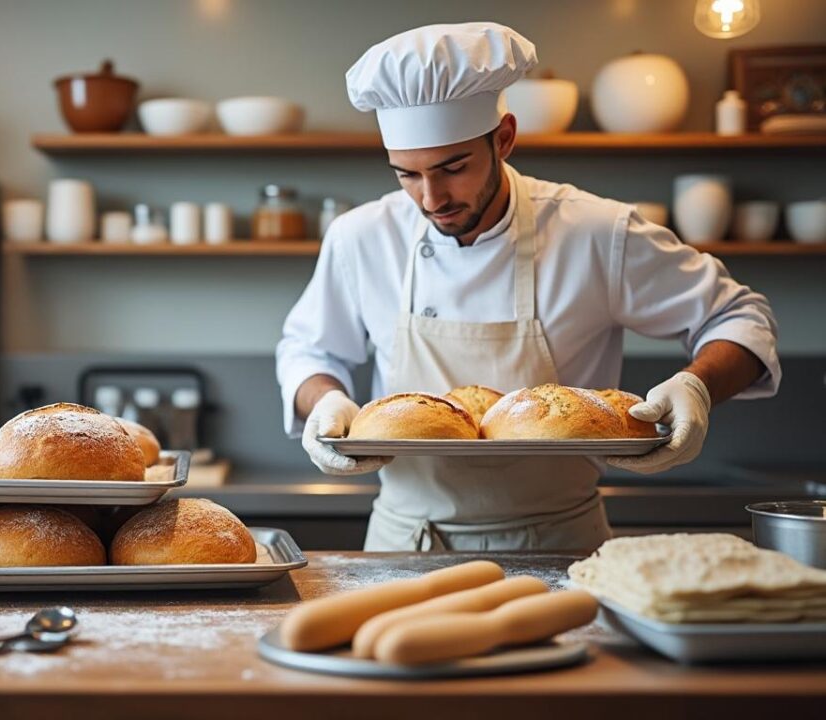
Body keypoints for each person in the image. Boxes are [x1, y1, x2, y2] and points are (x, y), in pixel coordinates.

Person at [275, 23, 779, 552]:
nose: (430, 199)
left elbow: (742, 317)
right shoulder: (362, 237)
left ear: (505, 138)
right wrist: (325, 401)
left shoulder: (595, 232)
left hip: (561, 542)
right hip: (402, 541)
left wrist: (695, 387)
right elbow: (308, 349)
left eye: (453, 167)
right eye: (407, 174)